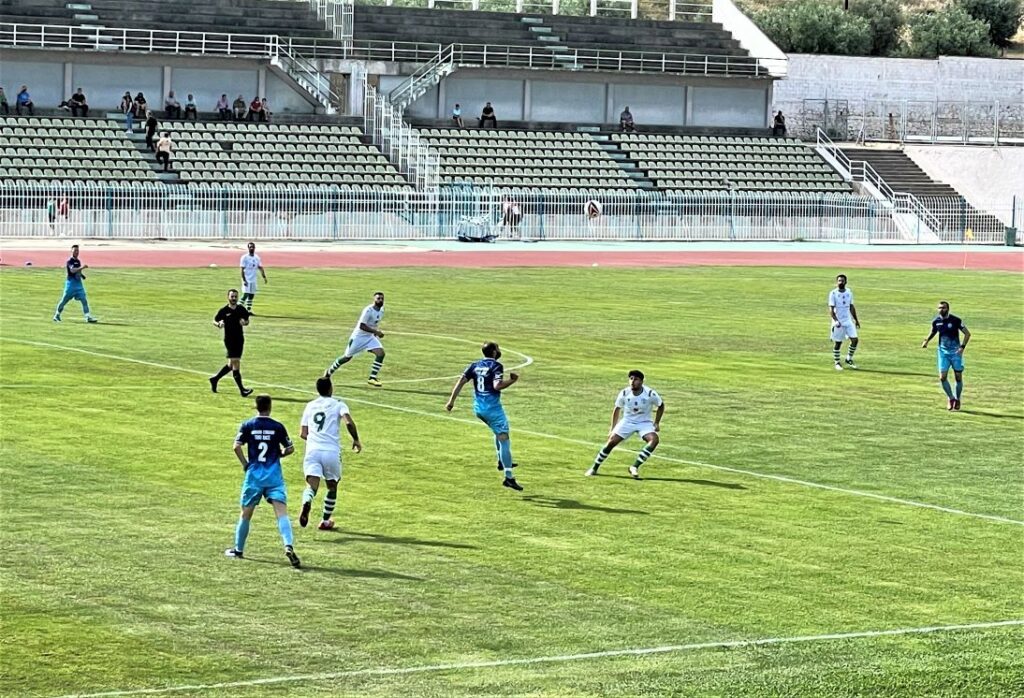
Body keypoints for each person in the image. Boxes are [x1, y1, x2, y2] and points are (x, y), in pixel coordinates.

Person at [224, 394, 301, 568]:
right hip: (274, 476)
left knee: (246, 514)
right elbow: (290, 448)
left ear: (256, 406)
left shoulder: (248, 425)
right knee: (282, 513)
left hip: (254, 476)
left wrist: (245, 464)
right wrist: (279, 454)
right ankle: (288, 545)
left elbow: (236, 446)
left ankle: (238, 549)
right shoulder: (277, 426)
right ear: (270, 407)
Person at [445, 342, 523, 491]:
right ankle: (509, 477)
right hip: (492, 409)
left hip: (479, 408)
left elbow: (461, 382)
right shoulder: (496, 366)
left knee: (497, 432)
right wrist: (512, 380)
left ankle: (501, 461)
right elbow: (497, 386)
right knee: (504, 439)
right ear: (493, 352)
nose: (499, 351)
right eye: (498, 349)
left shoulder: (475, 365)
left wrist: (451, 402)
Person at [299, 376, 362, 531]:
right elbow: (348, 422)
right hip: (331, 451)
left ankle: (307, 501)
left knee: (311, 486)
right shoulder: (339, 404)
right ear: (330, 388)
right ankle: (325, 520)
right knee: (332, 486)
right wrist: (356, 439)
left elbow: (303, 433)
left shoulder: (310, 405)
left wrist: (315, 439)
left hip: (312, 451)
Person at [586, 370, 664, 479]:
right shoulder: (624, 393)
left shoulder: (650, 393)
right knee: (611, 442)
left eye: (636, 379)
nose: (632, 381)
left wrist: (656, 422)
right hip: (627, 421)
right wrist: (612, 429)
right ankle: (594, 468)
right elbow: (617, 409)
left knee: (654, 440)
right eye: (631, 379)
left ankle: (634, 467)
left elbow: (661, 405)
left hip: (644, 422)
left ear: (642, 381)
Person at [324, 292, 387, 387]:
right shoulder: (368, 310)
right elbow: (362, 326)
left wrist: (375, 333)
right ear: (374, 299)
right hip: (358, 338)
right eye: (378, 298)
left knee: (381, 353)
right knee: (347, 357)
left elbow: (374, 323)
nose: (380, 300)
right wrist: (376, 332)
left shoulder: (381, 310)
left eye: (382, 298)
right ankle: (328, 372)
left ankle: (372, 378)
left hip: (369, 337)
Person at [921, 301, 971, 411]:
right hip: (943, 352)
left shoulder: (956, 320)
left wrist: (962, 347)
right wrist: (926, 341)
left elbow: (967, 334)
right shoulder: (936, 322)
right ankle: (951, 398)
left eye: (943, 308)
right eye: (939, 308)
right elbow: (933, 332)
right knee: (942, 377)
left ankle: (958, 399)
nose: (941, 310)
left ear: (948, 309)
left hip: (956, 352)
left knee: (958, 377)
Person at [209, 289, 254, 397]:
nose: (234, 298)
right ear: (228, 297)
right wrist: (219, 324)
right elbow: (215, 320)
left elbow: (247, 320)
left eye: (235, 297)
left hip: (239, 339)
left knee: (231, 364)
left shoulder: (241, 309)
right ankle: (242, 390)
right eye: (232, 296)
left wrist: (245, 323)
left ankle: (215, 379)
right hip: (229, 339)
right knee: (236, 362)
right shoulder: (224, 311)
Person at [53, 244, 98, 323]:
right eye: (75, 251)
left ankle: (88, 316)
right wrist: (82, 267)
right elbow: (72, 270)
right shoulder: (69, 261)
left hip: (78, 284)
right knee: (64, 300)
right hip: (70, 284)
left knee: (84, 299)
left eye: (77, 250)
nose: (76, 252)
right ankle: (57, 315)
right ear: (71, 251)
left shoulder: (78, 261)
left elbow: (78, 271)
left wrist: (82, 276)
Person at [829, 273, 860, 371]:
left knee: (855, 340)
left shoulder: (849, 292)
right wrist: (836, 320)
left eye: (842, 281)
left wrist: (856, 320)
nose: (840, 282)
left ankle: (848, 359)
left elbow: (851, 306)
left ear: (845, 282)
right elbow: (831, 309)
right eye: (839, 281)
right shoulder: (833, 293)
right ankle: (837, 363)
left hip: (848, 320)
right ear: (836, 282)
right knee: (838, 343)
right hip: (839, 321)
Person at [239, 241, 267, 312]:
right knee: (245, 294)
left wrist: (264, 277)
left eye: (253, 247)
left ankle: (248, 310)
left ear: (254, 248)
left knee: (251, 295)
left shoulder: (257, 257)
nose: (251, 248)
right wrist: (244, 280)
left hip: (253, 279)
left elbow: (260, 267)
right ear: (248, 248)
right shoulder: (244, 257)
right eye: (250, 247)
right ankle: (237, 309)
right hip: (247, 279)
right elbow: (242, 269)